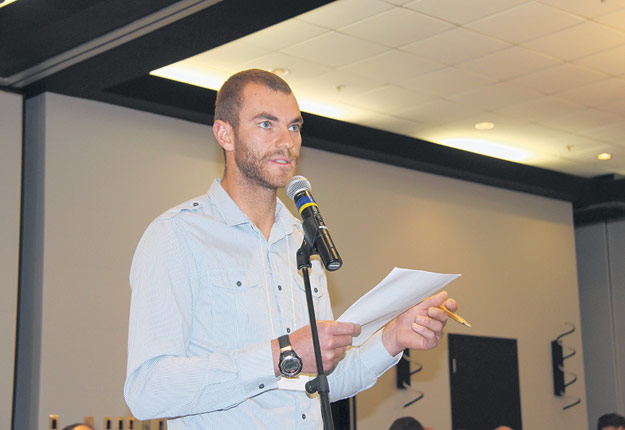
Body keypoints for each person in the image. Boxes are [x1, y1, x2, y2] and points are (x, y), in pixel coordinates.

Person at [123, 68, 458, 429]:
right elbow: (147, 390)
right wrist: (283, 354)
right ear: (225, 133)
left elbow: (325, 380)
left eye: (294, 127)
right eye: (267, 124)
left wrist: (393, 338)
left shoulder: (302, 240)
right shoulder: (177, 235)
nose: (287, 141)